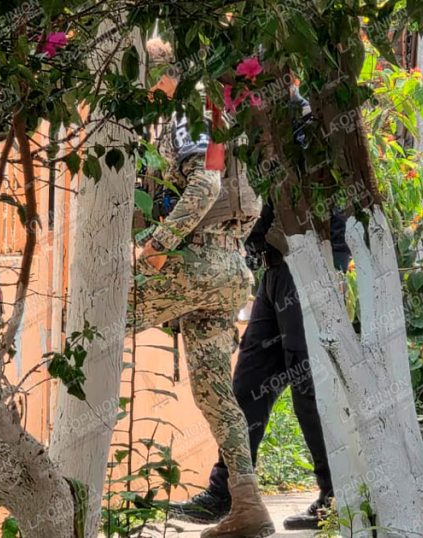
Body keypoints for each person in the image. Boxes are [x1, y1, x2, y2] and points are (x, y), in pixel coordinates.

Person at [168, 90, 349, 530]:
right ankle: (227, 493)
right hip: (276, 266)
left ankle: (336, 494)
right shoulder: (251, 125)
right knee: (249, 383)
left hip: (309, 262)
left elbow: (324, 196)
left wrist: (334, 263)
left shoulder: (298, 123)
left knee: (309, 386)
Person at [129, 38, 274, 538]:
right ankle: (249, 506)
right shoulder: (215, 108)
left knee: (95, 324)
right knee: (215, 392)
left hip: (198, 260)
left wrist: (158, 244)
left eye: (143, 79)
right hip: (230, 269)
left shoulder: (189, 109)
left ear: (157, 73)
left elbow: (207, 185)